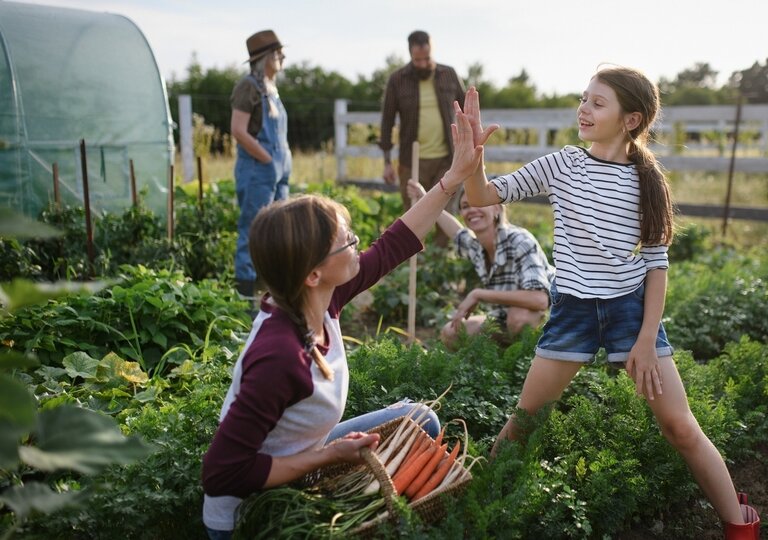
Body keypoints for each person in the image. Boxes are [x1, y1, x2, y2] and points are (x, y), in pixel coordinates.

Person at [459, 67, 761, 539]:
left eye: (598, 103)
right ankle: (470, 512)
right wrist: (474, 157)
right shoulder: (563, 164)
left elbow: (657, 267)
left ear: (630, 119)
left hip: (630, 313)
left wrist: (644, 340)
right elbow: (482, 193)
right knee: (523, 424)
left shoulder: (649, 183)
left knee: (680, 427)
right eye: (584, 99)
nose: (584, 108)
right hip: (573, 313)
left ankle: (741, 526)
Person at [200, 88, 489, 539]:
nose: (358, 242)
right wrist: (327, 458)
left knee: (421, 420)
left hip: (304, 462)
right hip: (255, 514)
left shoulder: (318, 299)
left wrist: (452, 178)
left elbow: (394, 243)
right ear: (313, 273)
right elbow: (219, 474)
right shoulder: (280, 355)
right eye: (346, 239)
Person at [406, 180, 553, 348]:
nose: (472, 210)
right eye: (466, 206)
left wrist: (478, 294)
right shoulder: (477, 246)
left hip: (554, 315)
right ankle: (499, 360)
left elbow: (540, 300)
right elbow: (456, 232)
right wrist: (425, 197)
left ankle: (525, 361)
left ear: (496, 208)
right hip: (506, 314)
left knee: (518, 319)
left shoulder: (520, 241)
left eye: (479, 203)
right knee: (451, 333)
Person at [379, 30, 466, 247]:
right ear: (410, 55)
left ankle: (440, 265)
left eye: (427, 58)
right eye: (418, 60)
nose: (423, 63)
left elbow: (467, 111)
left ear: (432, 50)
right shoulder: (398, 80)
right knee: (414, 215)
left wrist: (469, 147)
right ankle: (416, 265)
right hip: (412, 160)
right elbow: (387, 121)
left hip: (447, 158)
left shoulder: (449, 74)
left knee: (446, 212)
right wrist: (387, 162)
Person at [230, 29, 292, 300]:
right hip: (258, 169)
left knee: (279, 229)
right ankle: (246, 298)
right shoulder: (248, 86)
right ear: (265, 57)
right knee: (254, 230)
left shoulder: (271, 87)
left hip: (280, 169)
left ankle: (273, 293)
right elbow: (238, 130)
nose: (282, 56)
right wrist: (267, 159)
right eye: (277, 52)